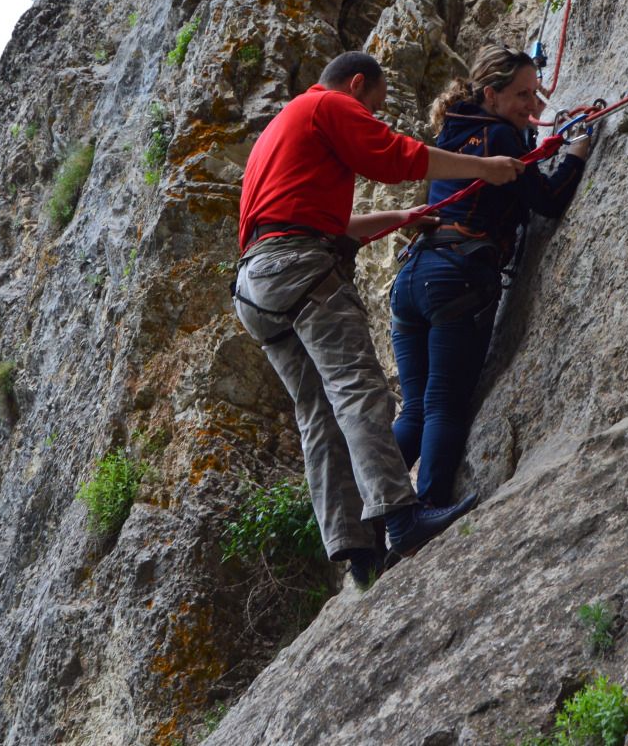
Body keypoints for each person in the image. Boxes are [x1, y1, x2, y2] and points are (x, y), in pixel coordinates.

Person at [232, 51, 526, 586]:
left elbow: (309, 221)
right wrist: (486, 168)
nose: (372, 117)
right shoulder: (330, 104)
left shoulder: (281, 128)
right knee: (359, 392)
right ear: (356, 85)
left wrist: (399, 218)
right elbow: (394, 158)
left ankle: (357, 551)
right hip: (300, 270)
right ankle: (402, 517)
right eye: (373, 107)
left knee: (317, 416)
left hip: (256, 286)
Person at [390, 45, 591, 508]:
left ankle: (360, 512)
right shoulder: (500, 137)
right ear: (491, 94)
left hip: (414, 276)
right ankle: (430, 511)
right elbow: (548, 199)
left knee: (415, 411)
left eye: (535, 93)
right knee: (443, 405)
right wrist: (578, 150)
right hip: (456, 277)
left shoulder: (453, 129)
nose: (532, 104)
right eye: (522, 94)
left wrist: (535, 134)